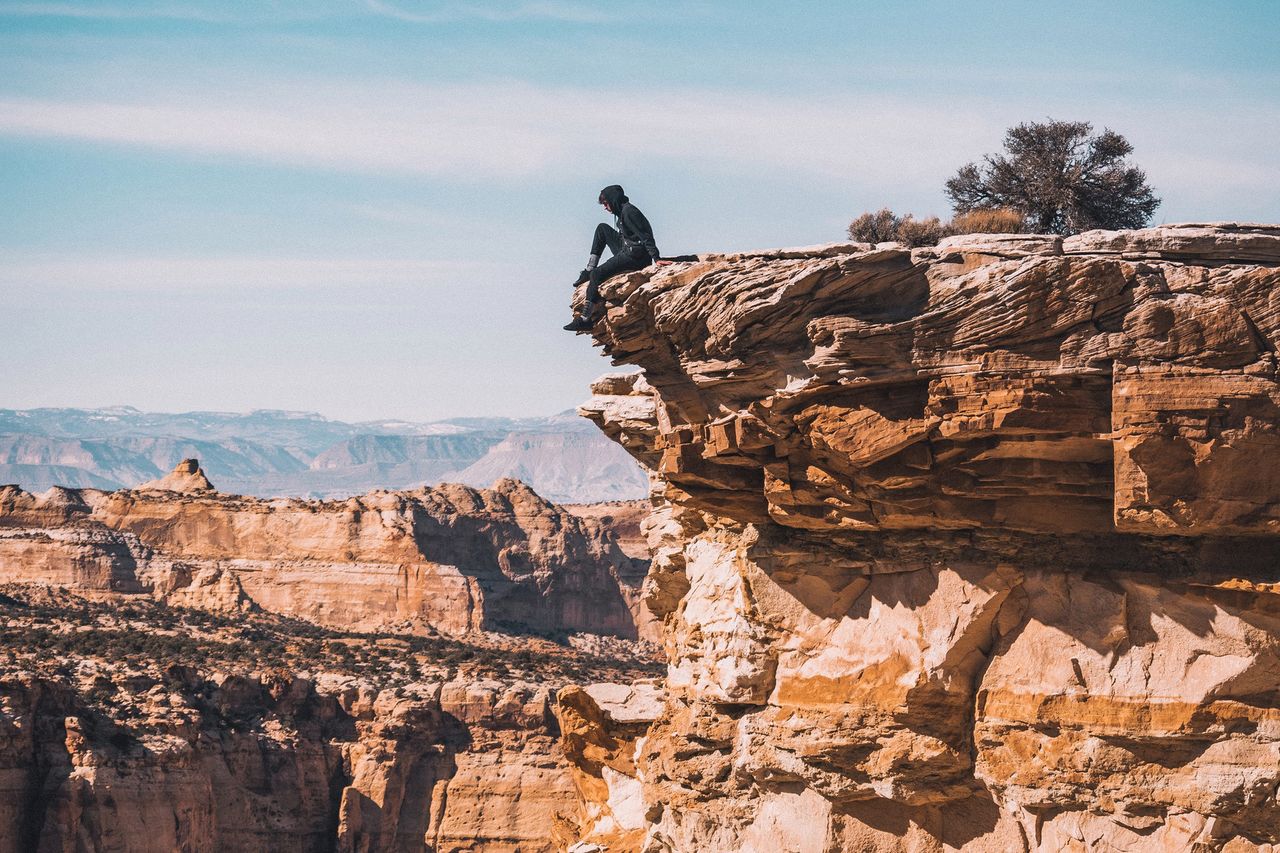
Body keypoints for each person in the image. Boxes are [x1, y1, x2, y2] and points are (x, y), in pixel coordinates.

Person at [564, 185, 669, 332]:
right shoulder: (621, 212)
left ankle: (585, 319)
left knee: (597, 275)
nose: (605, 207)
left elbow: (646, 236)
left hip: (635, 257)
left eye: (606, 203)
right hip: (626, 247)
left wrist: (656, 258)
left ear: (613, 200)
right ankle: (589, 269)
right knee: (602, 229)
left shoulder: (629, 212)